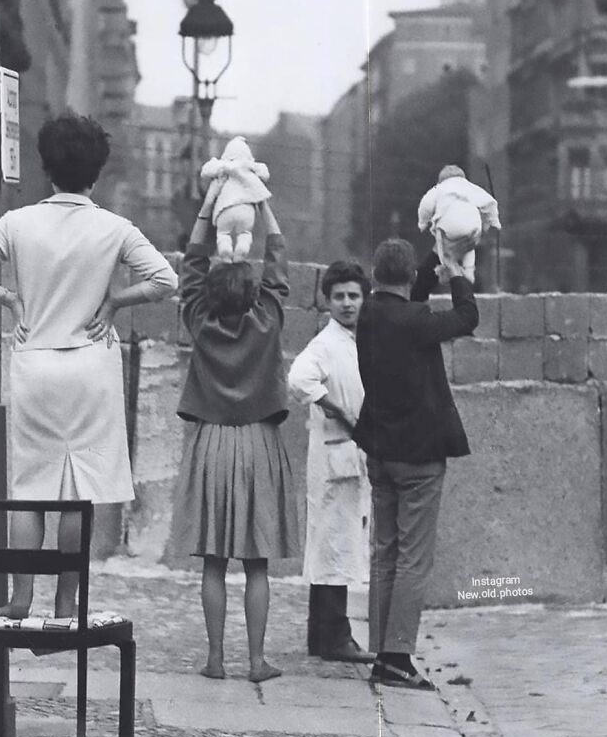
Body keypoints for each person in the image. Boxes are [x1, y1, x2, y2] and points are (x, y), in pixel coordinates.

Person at [0, 112, 178, 619]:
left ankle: (21, 596)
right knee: (81, 489)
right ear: (97, 171)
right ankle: (67, 601)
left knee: (31, 486)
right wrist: (116, 301)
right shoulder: (115, 228)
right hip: (92, 364)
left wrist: (10, 299)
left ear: (46, 167)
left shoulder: (18, 223)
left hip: (36, 361)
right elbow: (165, 281)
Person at [169, 187, 299, 684]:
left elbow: (192, 267)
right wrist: (263, 202)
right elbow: (278, 263)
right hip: (258, 443)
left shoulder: (199, 321)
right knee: (257, 564)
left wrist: (207, 207)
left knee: (214, 563)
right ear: (254, 293)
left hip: (211, 442)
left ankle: (216, 658)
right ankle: (257, 661)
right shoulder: (267, 321)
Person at [353, 236, 478, 689]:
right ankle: (399, 656)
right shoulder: (416, 320)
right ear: (407, 278)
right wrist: (460, 273)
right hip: (420, 457)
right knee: (413, 560)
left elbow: (413, 293)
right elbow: (468, 318)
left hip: (380, 453)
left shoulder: (367, 314)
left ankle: (383, 653)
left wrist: (440, 250)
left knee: (384, 554)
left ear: (373, 276)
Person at [288, 261, 373, 663]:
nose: (347, 303)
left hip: (352, 456)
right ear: (327, 301)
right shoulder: (325, 344)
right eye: (338, 296)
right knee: (332, 546)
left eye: (353, 296)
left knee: (339, 545)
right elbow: (299, 379)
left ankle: (323, 637)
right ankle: (335, 636)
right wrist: (337, 409)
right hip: (333, 454)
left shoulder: (360, 341)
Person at [417, 164, 500, 284]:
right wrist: (492, 222)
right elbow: (489, 202)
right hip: (473, 226)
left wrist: (423, 222)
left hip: (449, 226)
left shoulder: (439, 189)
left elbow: (426, 205)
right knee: (469, 248)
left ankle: (444, 266)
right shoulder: (471, 188)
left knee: (442, 243)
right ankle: (469, 271)